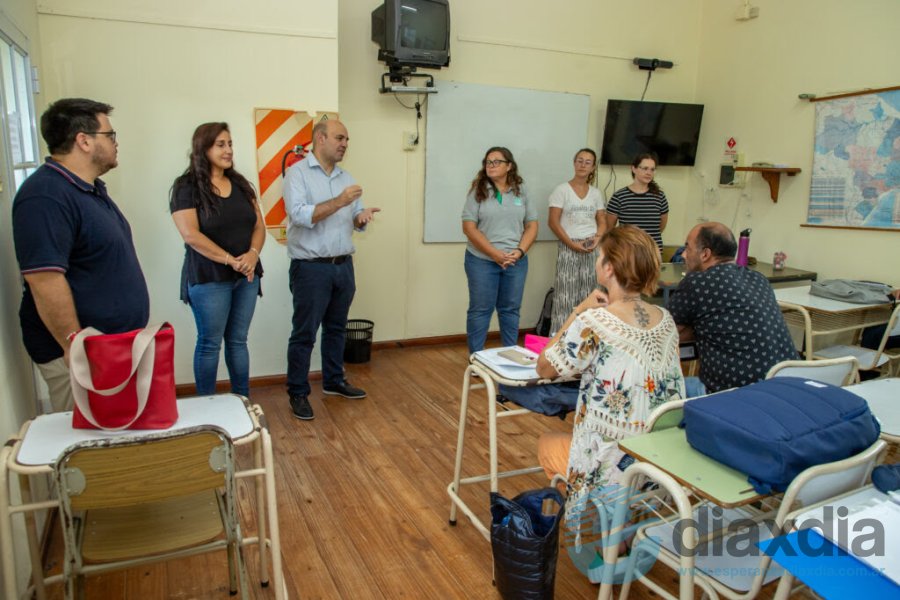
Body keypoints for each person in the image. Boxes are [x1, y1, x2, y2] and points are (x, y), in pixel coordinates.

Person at [535, 225, 684, 561]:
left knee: (547, 443)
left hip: (615, 466)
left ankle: (610, 537)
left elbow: (544, 367)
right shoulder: (667, 320)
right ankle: (626, 525)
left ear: (608, 269)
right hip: (660, 460)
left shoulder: (595, 323)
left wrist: (578, 312)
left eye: (600, 257)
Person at [12, 98, 150, 412]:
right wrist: (75, 346)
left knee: (108, 441)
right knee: (82, 448)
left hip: (108, 350)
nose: (116, 143)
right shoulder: (46, 195)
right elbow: (45, 280)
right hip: (82, 356)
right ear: (84, 141)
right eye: (110, 135)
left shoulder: (88, 189)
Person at [283, 119, 380, 421]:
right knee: (304, 334)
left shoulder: (346, 176)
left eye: (347, 140)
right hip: (311, 268)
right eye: (340, 138)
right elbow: (299, 216)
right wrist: (340, 201)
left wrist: (360, 218)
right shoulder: (296, 174)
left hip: (343, 267)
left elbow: (351, 217)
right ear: (320, 139)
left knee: (337, 329)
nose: (344, 144)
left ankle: (334, 381)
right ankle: (298, 392)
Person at [170, 122, 265, 397]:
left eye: (230, 144)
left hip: (246, 275)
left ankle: (242, 401)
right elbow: (190, 235)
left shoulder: (240, 184)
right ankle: (206, 406)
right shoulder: (185, 186)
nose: (228, 150)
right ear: (204, 148)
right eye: (220, 144)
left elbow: (258, 226)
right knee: (210, 343)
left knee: (238, 341)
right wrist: (230, 260)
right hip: (209, 278)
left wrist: (252, 254)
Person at [667, 222, 798, 396]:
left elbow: (666, 331)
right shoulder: (759, 279)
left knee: (661, 388)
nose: (683, 254)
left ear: (705, 254)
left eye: (687, 247)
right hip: (787, 387)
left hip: (736, 396)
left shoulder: (698, 282)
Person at [461, 147, 539, 353]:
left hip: (515, 260)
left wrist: (520, 251)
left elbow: (532, 225)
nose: (491, 165)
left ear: (509, 166)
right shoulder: (477, 191)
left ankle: (509, 355)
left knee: (510, 310)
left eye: (496, 161)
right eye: (488, 162)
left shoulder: (522, 191)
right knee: (481, 310)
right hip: (481, 260)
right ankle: (476, 358)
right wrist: (494, 254)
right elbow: (469, 227)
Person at [548, 148, 607, 334]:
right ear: (574, 163)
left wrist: (596, 239)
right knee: (566, 295)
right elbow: (553, 222)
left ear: (593, 167)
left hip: (591, 247)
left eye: (587, 162)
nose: (583, 165)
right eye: (579, 160)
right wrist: (572, 244)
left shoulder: (596, 193)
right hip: (568, 245)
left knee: (591, 293)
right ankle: (560, 339)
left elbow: (602, 222)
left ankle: (588, 338)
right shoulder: (561, 190)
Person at [605, 153, 668, 251]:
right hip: (627, 251)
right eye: (645, 168)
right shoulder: (619, 196)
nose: (649, 172)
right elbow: (609, 228)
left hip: (653, 252)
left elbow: (661, 226)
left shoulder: (660, 196)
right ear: (634, 169)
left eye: (652, 169)